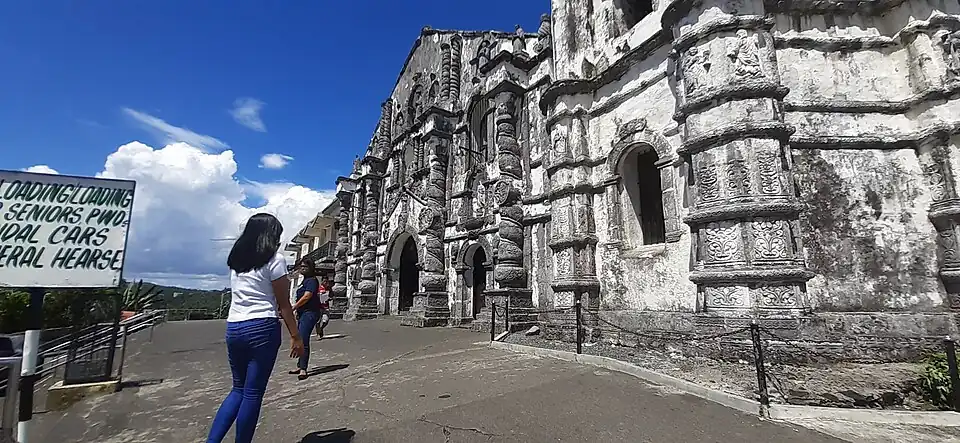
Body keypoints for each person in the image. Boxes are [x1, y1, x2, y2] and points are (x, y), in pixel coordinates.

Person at [207, 213, 304, 443]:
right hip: (262, 326)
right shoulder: (275, 260)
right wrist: (296, 336)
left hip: (234, 327)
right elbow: (284, 306)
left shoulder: (236, 262)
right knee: (252, 394)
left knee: (237, 389)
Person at [289, 259, 324, 380]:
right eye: (301, 266)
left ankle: (303, 369)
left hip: (310, 313)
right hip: (303, 313)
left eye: (305, 266)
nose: (302, 268)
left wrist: (294, 307)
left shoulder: (312, 281)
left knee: (303, 338)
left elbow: (307, 296)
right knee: (300, 338)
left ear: (311, 268)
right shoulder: (304, 281)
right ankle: (300, 365)